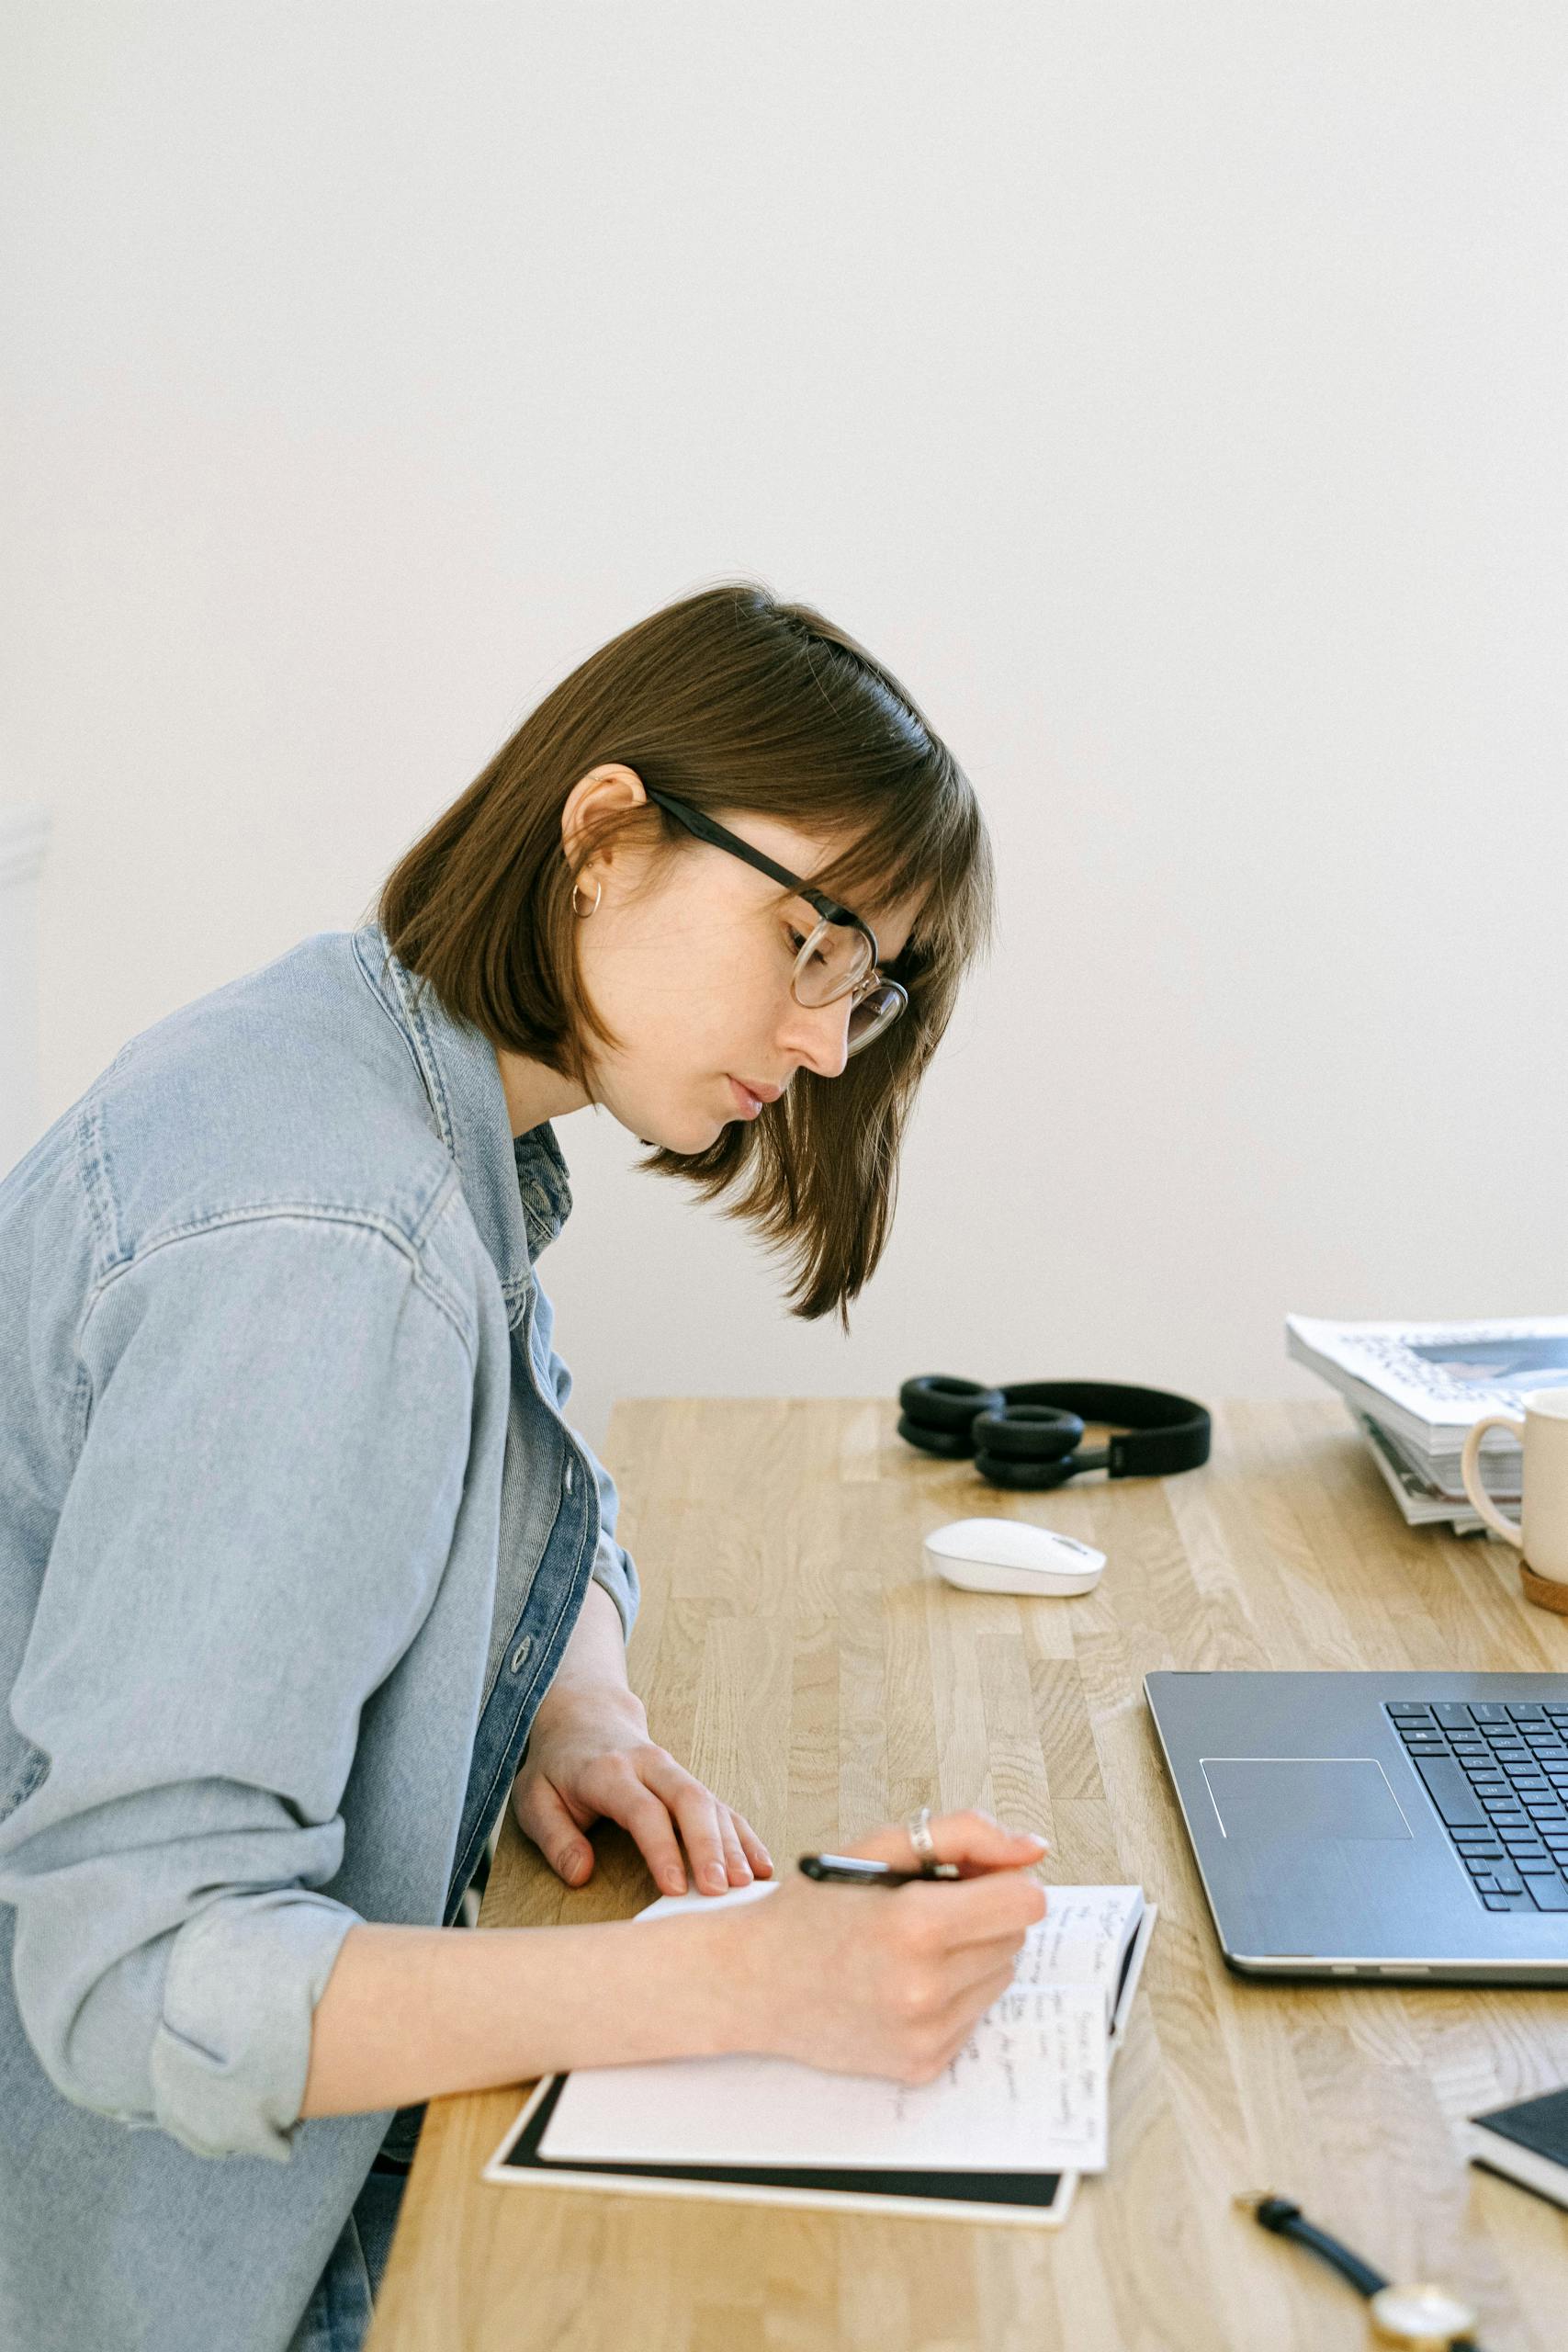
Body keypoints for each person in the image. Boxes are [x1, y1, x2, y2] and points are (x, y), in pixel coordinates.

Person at [0, 582, 1049, 2352]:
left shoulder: (370, 1064)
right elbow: (131, 1979)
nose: (819, 1046)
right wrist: (718, 1976)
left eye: (861, 987)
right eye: (809, 945)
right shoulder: (334, 1241)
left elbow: (529, 1444)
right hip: (191, 2254)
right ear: (607, 837)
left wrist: (584, 1701)